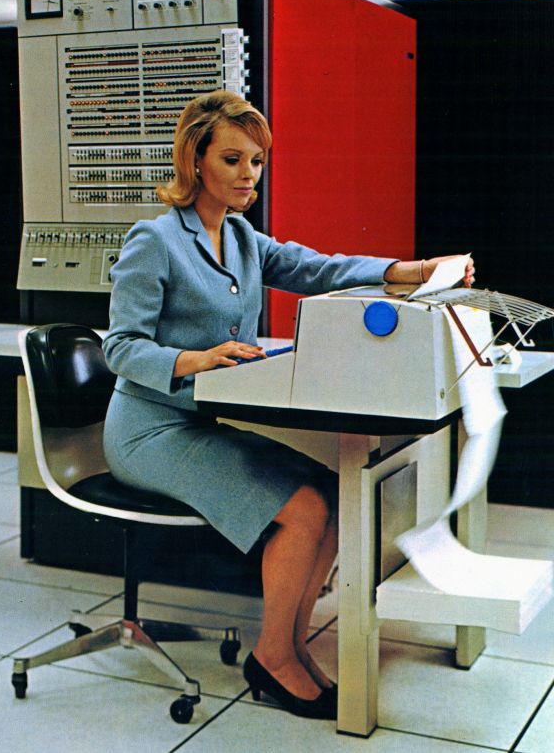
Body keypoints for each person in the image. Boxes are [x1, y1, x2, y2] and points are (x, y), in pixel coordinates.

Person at [101, 90, 474, 720]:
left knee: (330, 494)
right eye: (233, 160)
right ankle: (273, 657)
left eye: (257, 161)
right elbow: (119, 347)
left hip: (201, 421)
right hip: (149, 430)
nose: (249, 175)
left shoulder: (242, 237)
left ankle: (289, 644)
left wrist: (412, 270)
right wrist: (195, 358)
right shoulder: (156, 240)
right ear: (195, 162)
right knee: (302, 511)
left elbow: (319, 269)